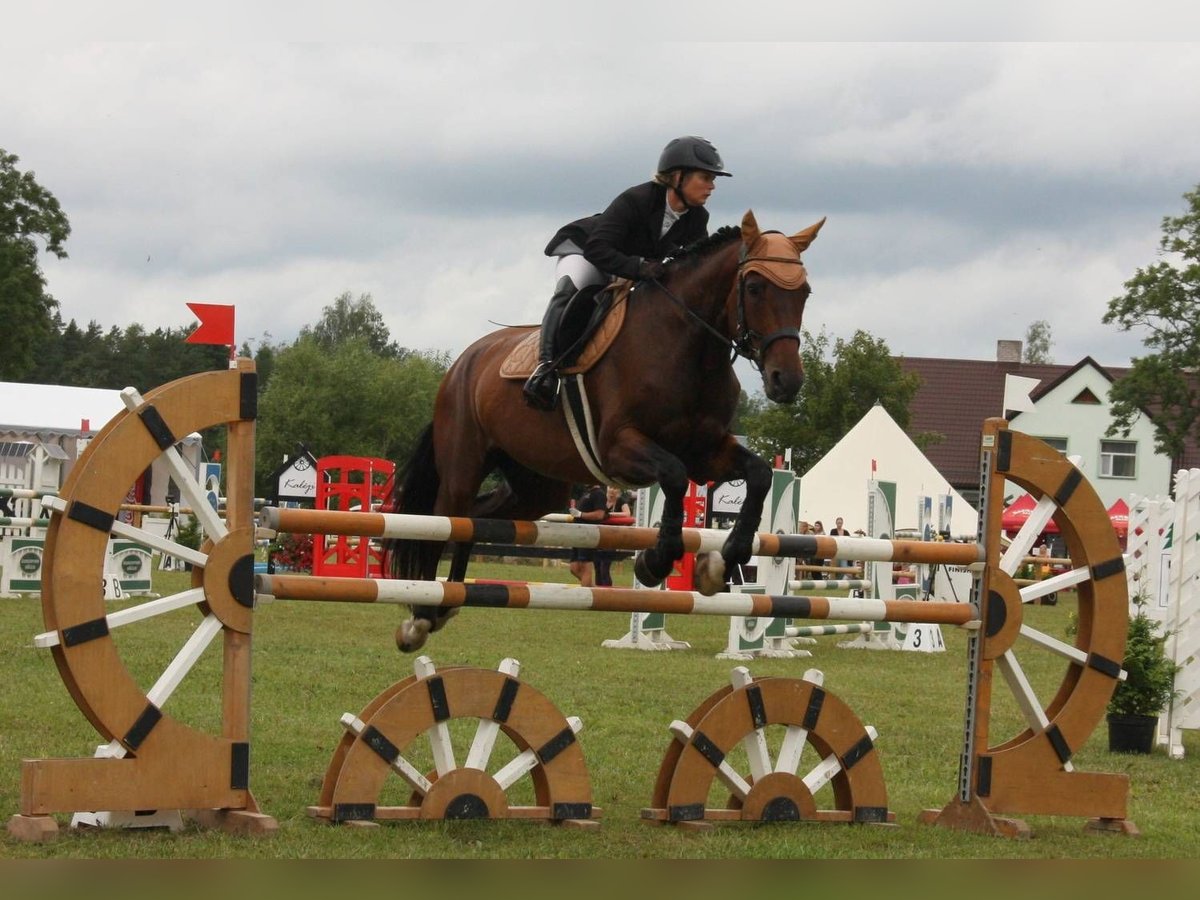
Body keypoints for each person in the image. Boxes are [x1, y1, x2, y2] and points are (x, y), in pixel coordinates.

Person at [523, 136, 732, 410]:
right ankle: (545, 369)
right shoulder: (637, 199)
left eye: (713, 178)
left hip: (630, 268)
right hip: (587, 251)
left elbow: (691, 267)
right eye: (705, 177)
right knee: (574, 288)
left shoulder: (697, 218)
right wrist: (639, 267)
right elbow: (598, 249)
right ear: (677, 176)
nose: (712, 186)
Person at [568, 483, 608, 587]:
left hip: (588, 534)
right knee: (574, 568)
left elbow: (600, 514)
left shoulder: (599, 494)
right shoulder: (587, 493)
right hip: (579, 534)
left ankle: (585, 597)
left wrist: (580, 514)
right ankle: (594, 591)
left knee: (585, 567)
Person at [594, 485, 632, 587]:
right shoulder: (601, 499)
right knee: (597, 567)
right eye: (610, 487)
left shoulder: (621, 501)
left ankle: (608, 593)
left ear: (618, 491)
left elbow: (627, 514)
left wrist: (610, 515)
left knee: (604, 568)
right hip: (598, 536)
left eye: (615, 488)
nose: (612, 490)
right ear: (607, 488)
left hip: (612, 537)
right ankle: (599, 593)